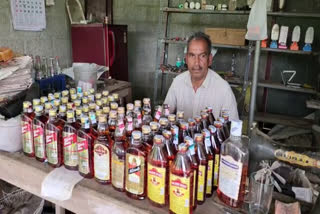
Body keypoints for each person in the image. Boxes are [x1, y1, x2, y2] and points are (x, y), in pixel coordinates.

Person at [164, 32, 239, 121]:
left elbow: (233, 129)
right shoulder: (178, 82)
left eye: (202, 56)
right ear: (186, 59)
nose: (196, 62)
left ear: (210, 59)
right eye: (192, 55)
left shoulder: (223, 89)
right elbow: (164, 115)